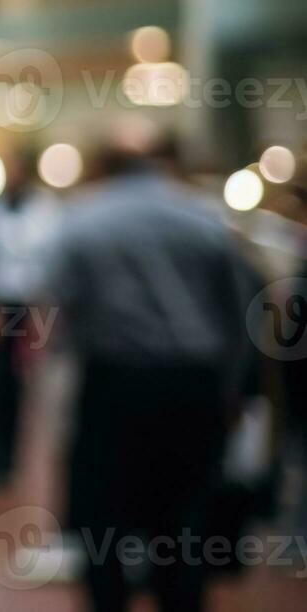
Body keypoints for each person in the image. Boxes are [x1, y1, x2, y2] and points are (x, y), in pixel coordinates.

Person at [50, 136, 262, 612]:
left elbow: (54, 306)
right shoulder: (206, 218)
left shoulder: (84, 220)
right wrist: (232, 389)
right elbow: (239, 315)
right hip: (192, 385)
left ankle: (109, 600)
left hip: (113, 384)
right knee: (184, 516)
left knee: (103, 518)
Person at [0, 147, 59, 490]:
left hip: (26, 305)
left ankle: (5, 458)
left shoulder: (45, 210)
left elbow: (44, 257)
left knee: (15, 385)